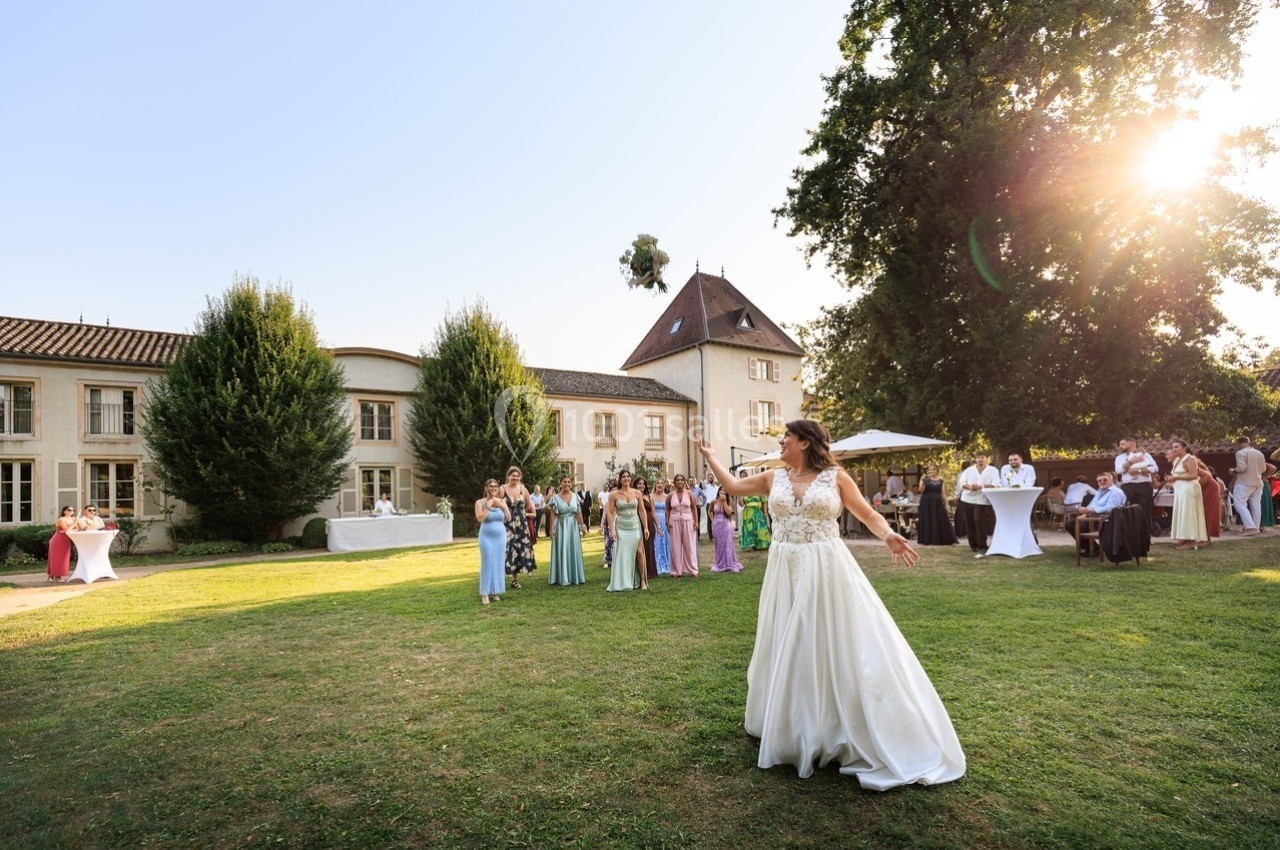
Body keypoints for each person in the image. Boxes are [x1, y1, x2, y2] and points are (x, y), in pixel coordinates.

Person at [697, 420, 964, 789]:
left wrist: (889, 536)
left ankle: (837, 723)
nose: (781, 441)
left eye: (786, 437)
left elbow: (866, 513)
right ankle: (794, 722)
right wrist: (710, 456)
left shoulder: (836, 477)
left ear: (804, 442)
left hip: (826, 567)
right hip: (785, 569)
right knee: (790, 640)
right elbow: (731, 486)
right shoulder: (773, 478)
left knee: (830, 639)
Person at [604, 469, 649, 591]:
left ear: (630, 478)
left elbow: (641, 510)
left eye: (628, 476)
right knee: (623, 554)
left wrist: (645, 527)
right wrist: (611, 529)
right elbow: (610, 512)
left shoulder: (637, 493)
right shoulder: (614, 495)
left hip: (634, 525)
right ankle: (624, 581)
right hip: (621, 527)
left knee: (639, 552)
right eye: (623, 476)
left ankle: (643, 581)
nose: (626, 478)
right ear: (620, 479)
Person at [1064, 472, 1127, 554]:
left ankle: (1092, 549)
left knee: (1080, 526)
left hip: (1108, 519)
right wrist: (1085, 514)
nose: (1102, 482)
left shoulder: (1116, 492)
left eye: (1105, 480)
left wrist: (1091, 511)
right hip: (1095, 517)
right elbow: (1092, 504)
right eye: (1099, 481)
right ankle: (1092, 548)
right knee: (1069, 524)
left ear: (1112, 480)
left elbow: (1111, 508)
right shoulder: (1100, 491)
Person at [954, 453, 999, 558]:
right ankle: (973, 545)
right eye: (978, 458)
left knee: (979, 521)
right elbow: (961, 482)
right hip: (967, 499)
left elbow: (996, 484)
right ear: (975, 459)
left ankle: (982, 545)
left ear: (987, 459)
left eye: (982, 457)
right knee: (969, 522)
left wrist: (981, 486)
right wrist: (970, 487)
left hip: (982, 500)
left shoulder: (993, 470)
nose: (980, 460)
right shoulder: (969, 470)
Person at [1167, 440, 1209, 550]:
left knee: (1189, 513)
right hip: (1180, 490)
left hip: (1189, 489)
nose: (1174, 449)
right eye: (1173, 447)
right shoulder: (1177, 460)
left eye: (1176, 447)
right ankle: (1184, 538)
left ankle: (1191, 541)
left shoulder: (1190, 459)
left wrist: (1176, 478)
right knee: (1183, 513)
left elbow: (1194, 475)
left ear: (1184, 447)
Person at [547, 475, 587, 586]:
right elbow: (553, 515)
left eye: (569, 482)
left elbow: (578, 512)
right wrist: (552, 529)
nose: (567, 484)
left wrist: (582, 526)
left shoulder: (575, 497)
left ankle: (575, 576)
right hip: (561, 526)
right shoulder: (555, 498)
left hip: (573, 527)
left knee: (573, 549)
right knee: (563, 549)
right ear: (560, 484)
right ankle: (563, 577)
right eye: (564, 482)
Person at [474, 480, 509, 605]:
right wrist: (488, 506)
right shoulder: (480, 502)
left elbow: (508, 518)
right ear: (486, 488)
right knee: (488, 562)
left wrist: (504, 506)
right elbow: (480, 518)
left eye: (495, 486)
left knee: (498, 563)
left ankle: (495, 591)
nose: (493, 488)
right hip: (486, 538)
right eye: (491, 486)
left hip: (500, 538)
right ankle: (484, 593)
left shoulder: (502, 501)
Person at [1115, 438, 1159, 532]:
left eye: (1123, 444)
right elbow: (1118, 470)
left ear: (1131, 444)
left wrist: (1140, 470)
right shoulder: (1119, 458)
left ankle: (1146, 536)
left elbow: (1155, 468)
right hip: (1128, 487)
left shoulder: (1146, 455)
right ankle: (1131, 535)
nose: (1120, 446)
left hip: (1144, 486)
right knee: (1129, 512)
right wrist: (1131, 462)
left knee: (1145, 511)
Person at [502, 466, 536, 588]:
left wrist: (520, 514)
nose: (515, 477)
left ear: (520, 477)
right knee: (509, 549)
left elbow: (528, 505)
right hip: (508, 525)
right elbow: (497, 504)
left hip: (521, 525)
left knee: (520, 549)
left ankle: (514, 580)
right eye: (513, 475)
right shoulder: (502, 489)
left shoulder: (523, 490)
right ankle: (505, 576)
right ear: (508, 477)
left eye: (517, 476)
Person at [1231, 436, 1267, 535]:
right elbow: (1264, 469)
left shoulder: (1240, 453)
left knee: (1239, 503)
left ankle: (1250, 527)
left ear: (1239, 444)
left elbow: (1241, 468)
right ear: (1249, 442)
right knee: (1256, 505)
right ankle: (1256, 528)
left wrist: (1233, 470)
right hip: (1258, 482)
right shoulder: (1259, 453)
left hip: (1244, 482)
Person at [915, 464, 958, 546]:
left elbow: (943, 493)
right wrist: (923, 482)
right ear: (928, 471)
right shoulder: (925, 478)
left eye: (934, 469)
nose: (932, 471)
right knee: (928, 519)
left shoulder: (941, 480)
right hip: (926, 502)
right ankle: (927, 539)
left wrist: (946, 505)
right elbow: (921, 490)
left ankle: (942, 539)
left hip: (937, 502)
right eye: (930, 469)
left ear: (937, 470)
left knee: (940, 518)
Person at [666, 473, 699, 577]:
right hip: (674, 521)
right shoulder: (670, 495)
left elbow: (694, 508)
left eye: (681, 479)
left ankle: (693, 570)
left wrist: (696, 521)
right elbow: (667, 509)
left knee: (689, 545)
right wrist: (667, 521)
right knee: (675, 546)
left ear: (684, 482)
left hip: (688, 520)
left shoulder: (689, 494)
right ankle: (676, 571)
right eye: (677, 480)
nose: (680, 481)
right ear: (675, 482)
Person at [737, 468, 772, 550]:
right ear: (740, 477)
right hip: (748, 512)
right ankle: (752, 545)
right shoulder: (741, 489)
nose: (744, 477)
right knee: (750, 529)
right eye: (743, 476)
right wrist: (738, 495)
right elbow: (741, 504)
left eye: (746, 475)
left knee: (761, 527)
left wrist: (765, 512)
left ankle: (763, 543)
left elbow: (764, 500)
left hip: (757, 510)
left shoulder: (756, 487)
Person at [709, 490, 743, 573]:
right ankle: (720, 563)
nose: (722, 493)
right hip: (717, 525)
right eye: (721, 491)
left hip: (726, 525)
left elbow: (728, 512)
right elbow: (710, 511)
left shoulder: (729, 502)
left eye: (724, 492)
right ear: (718, 492)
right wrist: (712, 519)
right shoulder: (714, 502)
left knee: (727, 543)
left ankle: (729, 563)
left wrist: (724, 502)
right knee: (719, 545)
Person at [635, 476, 659, 580]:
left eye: (643, 484)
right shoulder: (633, 496)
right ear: (635, 485)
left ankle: (651, 572)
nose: (641, 485)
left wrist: (658, 526)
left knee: (649, 546)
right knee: (639, 547)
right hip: (637, 522)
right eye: (639, 483)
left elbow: (653, 513)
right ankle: (640, 571)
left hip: (649, 523)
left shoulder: (649, 497)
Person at [47, 506, 76, 582]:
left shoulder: (72, 519)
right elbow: (67, 529)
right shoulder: (61, 519)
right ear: (64, 511)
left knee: (64, 558)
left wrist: (69, 529)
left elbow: (77, 529)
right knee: (57, 557)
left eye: (73, 510)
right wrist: (73, 524)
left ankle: (52, 575)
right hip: (58, 540)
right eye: (69, 510)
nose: (71, 511)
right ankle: (57, 576)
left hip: (66, 540)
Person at [1197, 461, 1223, 540]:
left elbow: (1207, 476)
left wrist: (1195, 485)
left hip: (1209, 487)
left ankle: (1207, 537)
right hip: (1207, 486)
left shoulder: (1191, 461)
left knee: (1207, 511)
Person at [652, 478, 672, 575]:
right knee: (656, 541)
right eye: (658, 483)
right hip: (654, 521)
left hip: (664, 521)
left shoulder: (667, 497)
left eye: (662, 483)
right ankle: (656, 564)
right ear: (655, 485)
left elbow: (670, 510)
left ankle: (666, 563)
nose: (660, 485)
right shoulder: (651, 497)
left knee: (665, 541)